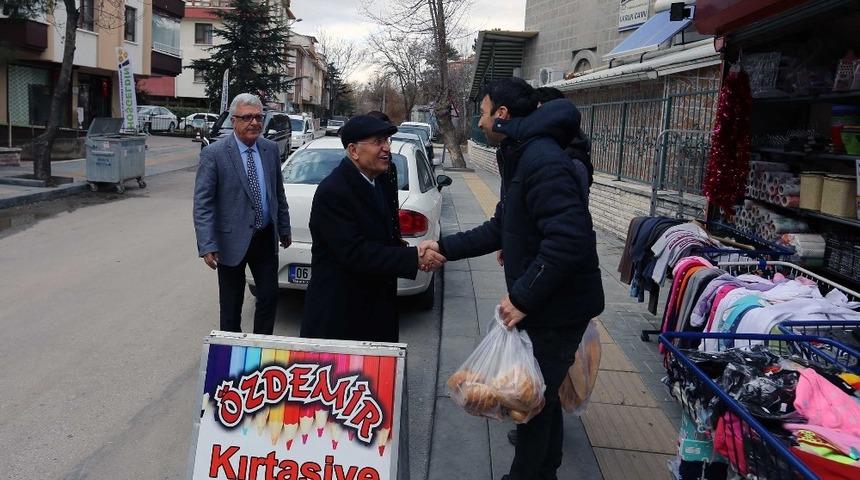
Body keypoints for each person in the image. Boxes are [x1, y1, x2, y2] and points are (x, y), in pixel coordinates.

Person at [422, 78, 604, 480]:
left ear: (502, 115)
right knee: (544, 397)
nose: (480, 120)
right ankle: (546, 472)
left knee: (532, 403)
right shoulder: (519, 154)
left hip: (558, 308)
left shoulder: (541, 159)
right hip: (548, 302)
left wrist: (521, 298)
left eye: (483, 111)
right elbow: (501, 227)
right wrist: (444, 248)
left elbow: (568, 240)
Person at [300, 114, 445, 343]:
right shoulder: (334, 191)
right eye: (378, 142)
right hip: (342, 316)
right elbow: (355, 253)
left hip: (376, 306)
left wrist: (399, 246)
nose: (387, 148)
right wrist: (413, 257)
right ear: (354, 151)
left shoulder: (378, 180)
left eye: (387, 141)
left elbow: (384, 233)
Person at [193, 93, 292, 335]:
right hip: (230, 240)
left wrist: (284, 226)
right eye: (247, 117)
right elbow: (202, 202)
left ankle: (261, 349)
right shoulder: (215, 153)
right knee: (231, 304)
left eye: (259, 117)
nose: (255, 123)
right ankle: (231, 355)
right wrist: (207, 244)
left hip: (264, 237)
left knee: (269, 298)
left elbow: (277, 192)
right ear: (234, 120)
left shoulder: (269, 149)